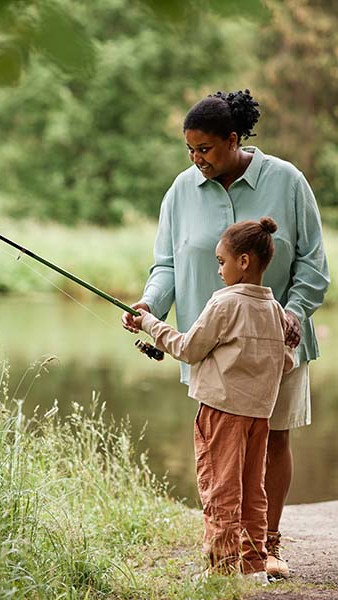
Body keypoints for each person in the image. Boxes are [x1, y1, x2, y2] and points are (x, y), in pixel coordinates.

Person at [122, 89, 330, 578]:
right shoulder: (181, 190)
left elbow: (314, 266)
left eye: (206, 150)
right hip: (213, 352)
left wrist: (292, 315)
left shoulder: (287, 181)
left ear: (233, 140)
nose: (197, 160)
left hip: (279, 349)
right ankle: (227, 550)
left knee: (273, 439)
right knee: (224, 450)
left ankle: (266, 546)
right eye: (190, 151)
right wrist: (150, 303)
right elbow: (167, 264)